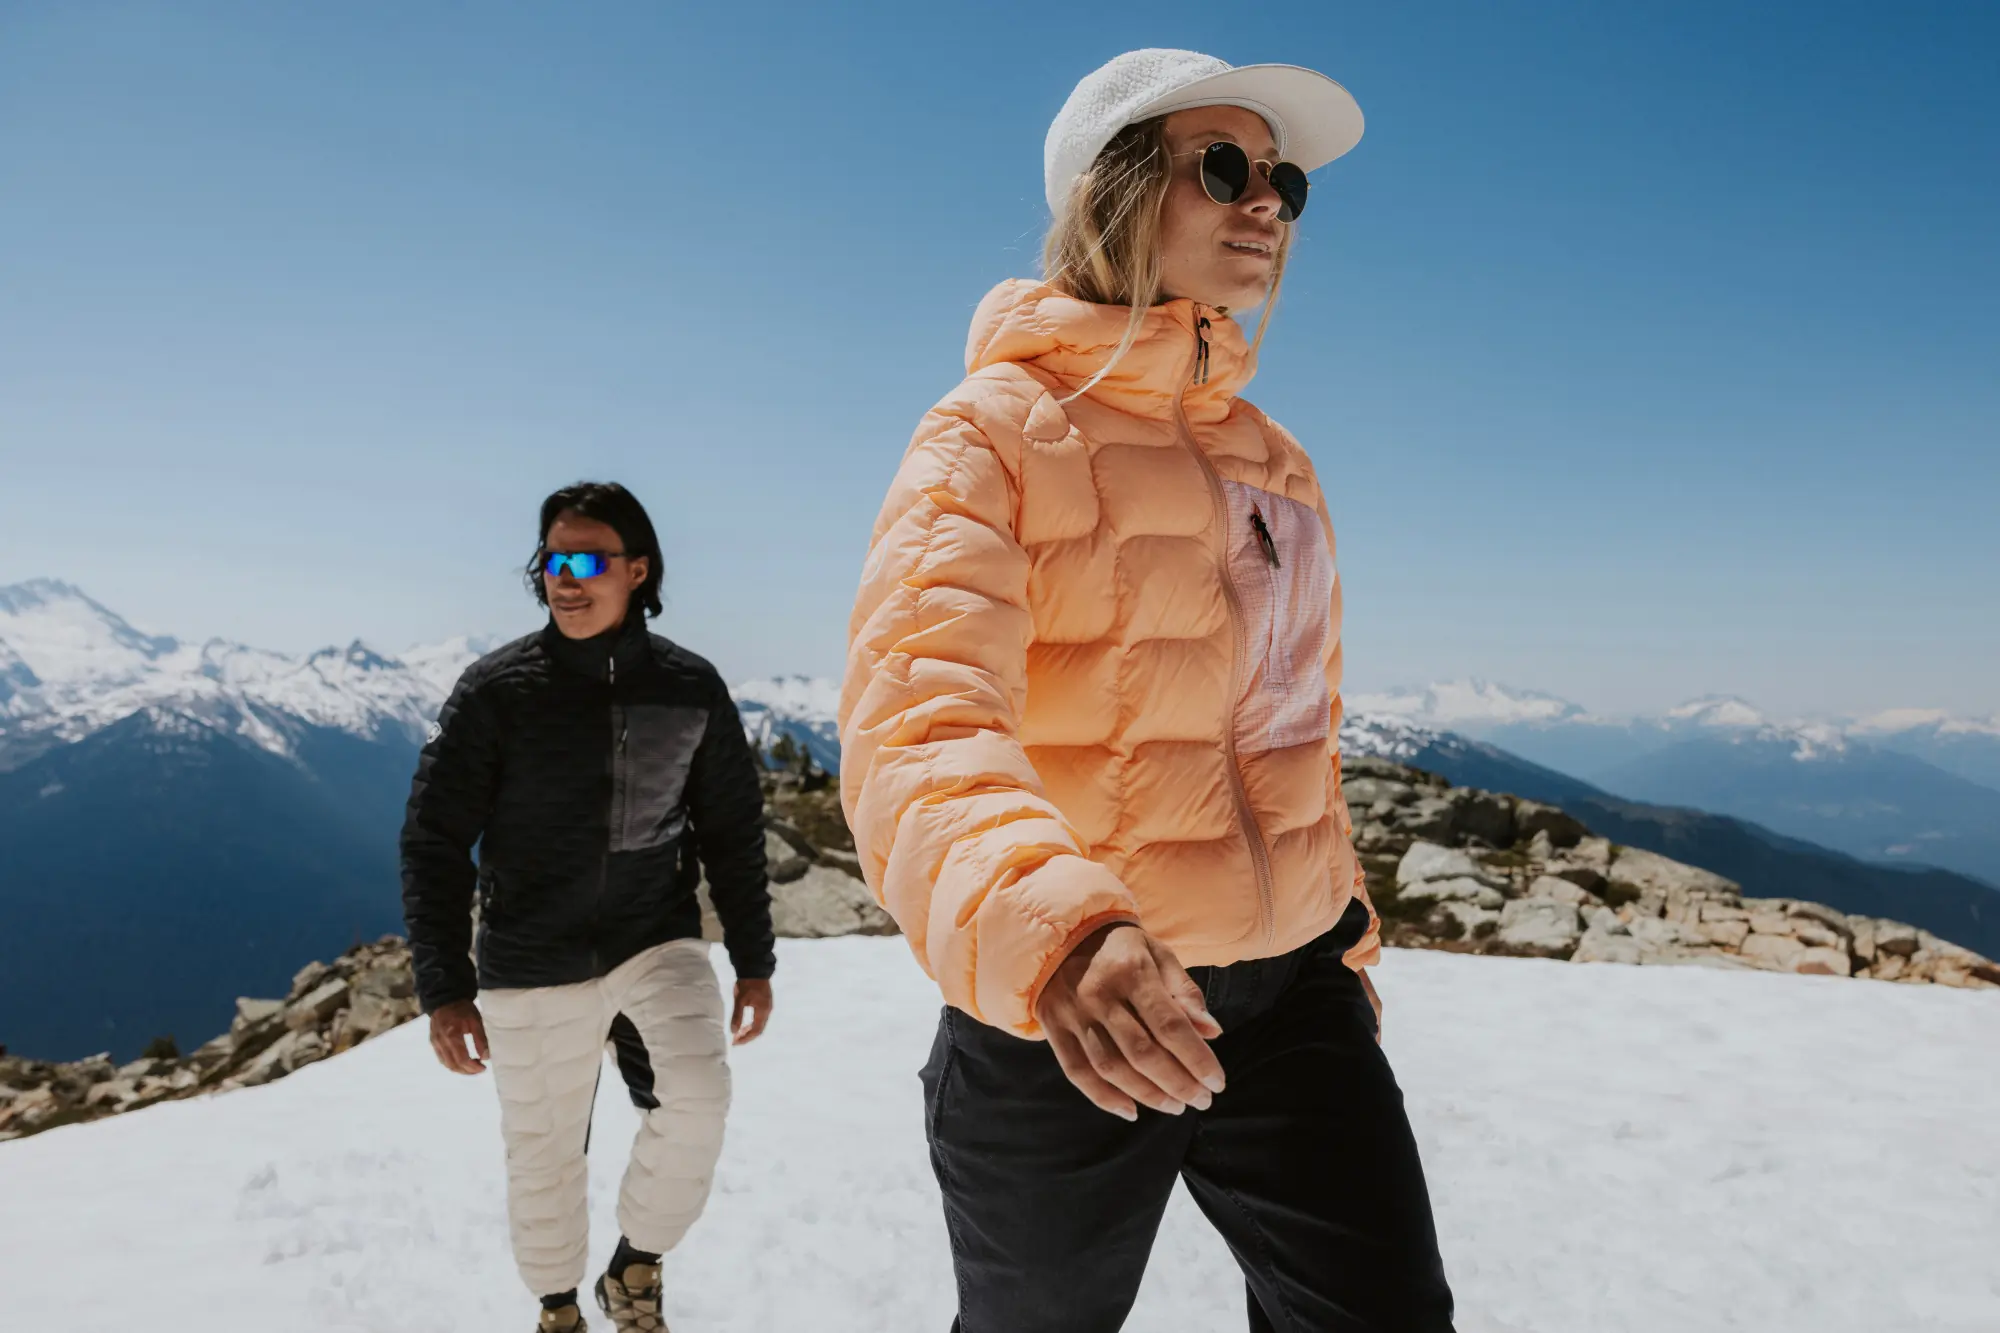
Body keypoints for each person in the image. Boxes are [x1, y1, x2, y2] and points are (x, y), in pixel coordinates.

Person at [839, 49, 1455, 1331]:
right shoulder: (991, 430)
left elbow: (1293, 722)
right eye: (1222, 166)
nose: (1267, 201)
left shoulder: (1275, 462)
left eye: (1281, 178)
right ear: (1112, 194)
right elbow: (919, 716)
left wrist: (1342, 935)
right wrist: (1063, 937)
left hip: (1291, 997)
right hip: (1066, 1006)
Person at [402, 481, 776, 1333]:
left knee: (698, 1096)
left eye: (585, 561)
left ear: (638, 571)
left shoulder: (690, 689)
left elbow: (732, 830)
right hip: (531, 954)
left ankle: (634, 1266)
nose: (563, 581)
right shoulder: (496, 692)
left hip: (655, 935)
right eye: (549, 562)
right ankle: (560, 1310)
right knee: (543, 1159)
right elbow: (431, 840)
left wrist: (754, 959)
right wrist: (444, 987)